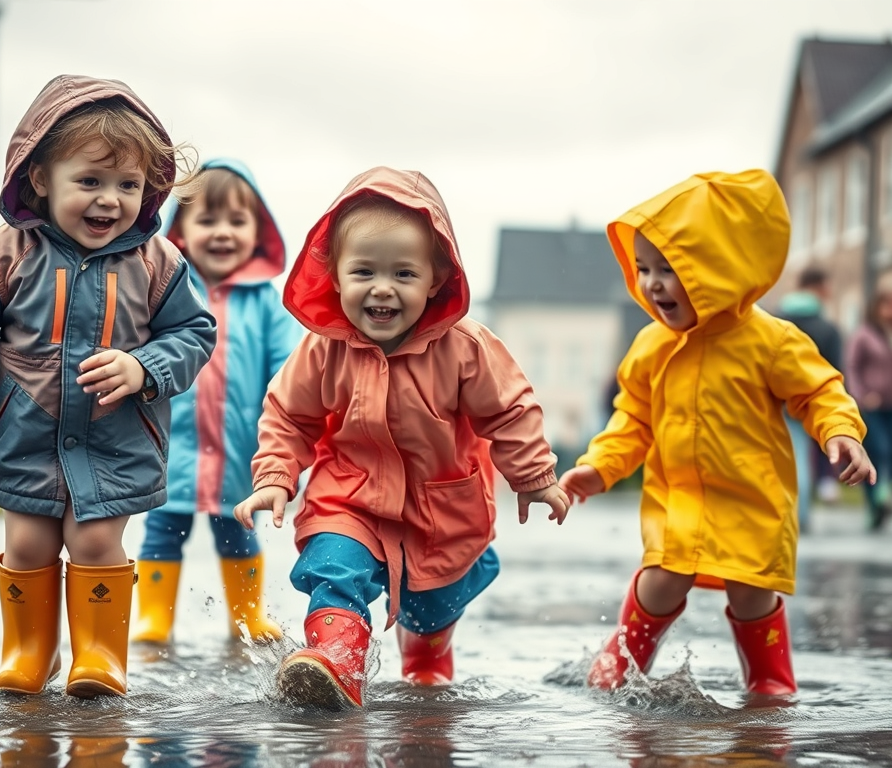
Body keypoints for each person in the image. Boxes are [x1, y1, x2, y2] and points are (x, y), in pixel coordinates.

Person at [0, 75, 217, 698]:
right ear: (40, 179)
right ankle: (29, 652)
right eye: (91, 181)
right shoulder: (4, 253)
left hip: (117, 438)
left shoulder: (157, 263)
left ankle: (100, 656)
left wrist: (146, 368)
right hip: (27, 432)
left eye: (128, 185)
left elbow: (194, 333)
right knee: (26, 541)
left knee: (97, 536)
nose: (110, 200)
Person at [232, 167, 570, 710]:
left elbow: (510, 409)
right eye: (364, 270)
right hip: (349, 499)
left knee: (431, 606)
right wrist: (276, 475)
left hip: (442, 511)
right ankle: (336, 663)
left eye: (404, 274)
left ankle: (427, 658)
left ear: (435, 280)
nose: (382, 288)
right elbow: (288, 415)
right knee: (334, 567)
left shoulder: (465, 348)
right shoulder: (323, 349)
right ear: (335, 278)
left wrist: (533, 476)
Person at [558, 169, 873, 696]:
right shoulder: (651, 347)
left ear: (717, 271)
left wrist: (841, 432)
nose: (653, 283)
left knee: (752, 590)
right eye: (643, 269)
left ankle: (770, 677)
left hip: (753, 498)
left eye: (668, 269)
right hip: (678, 499)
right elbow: (631, 418)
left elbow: (819, 391)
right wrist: (599, 467)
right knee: (662, 578)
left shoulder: (770, 341)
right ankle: (625, 656)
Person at [133, 159, 302, 645]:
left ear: (258, 231)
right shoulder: (166, 289)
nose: (222, 233)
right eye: (207, 220)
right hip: (173, 441)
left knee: (238, 529)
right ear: (181, 230)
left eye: (236, 221)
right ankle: (153, 617)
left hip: (238, 444)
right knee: (163, 528)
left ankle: (247, 616)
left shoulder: (266, 301)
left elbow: (287, 367)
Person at [778, 266, 844, 531]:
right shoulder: (827, 328)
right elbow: (836, 371)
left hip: (775, 401)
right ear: (817, 287)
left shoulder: (775, 319)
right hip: (813, 402)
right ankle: (801, 518)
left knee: (782, 461)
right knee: (803, 462)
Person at [845, 267, 892, 532]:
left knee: (890, 454)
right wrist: (861, 396)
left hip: (891, 405)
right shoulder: (864, 334)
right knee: (878, 452)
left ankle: (881, 501)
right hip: (871, 406)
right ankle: (876, 504)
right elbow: (851, 366)